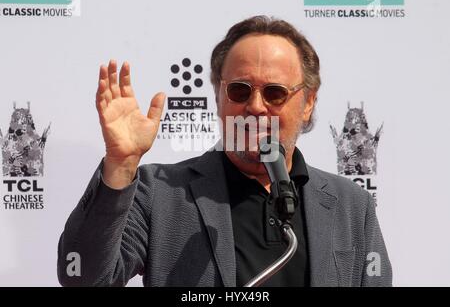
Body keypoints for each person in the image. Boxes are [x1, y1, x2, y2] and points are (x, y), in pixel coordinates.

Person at [57, 16, 392, 287]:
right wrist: (120, 164)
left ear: (308, 103)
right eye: (239, 90)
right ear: (218, 95)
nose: (256, 107)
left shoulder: (351, 204)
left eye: (275, 93)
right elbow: (83, 277)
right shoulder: (158, 191)